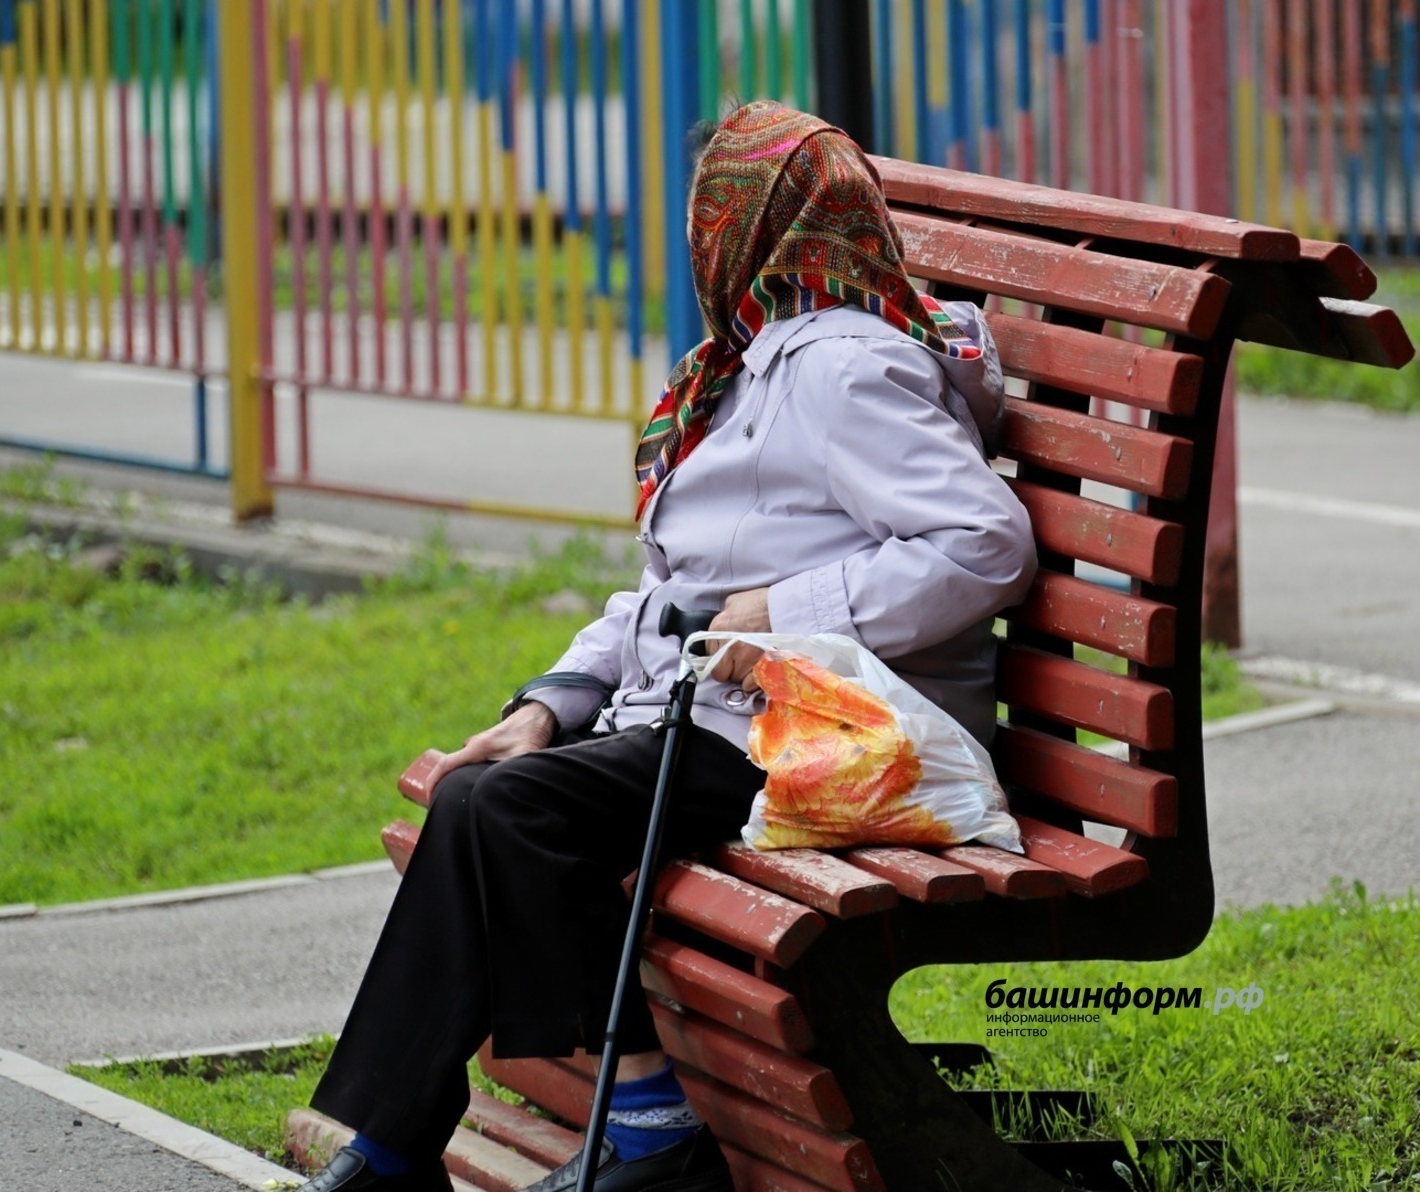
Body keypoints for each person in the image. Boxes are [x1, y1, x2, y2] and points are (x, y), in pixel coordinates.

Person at [298, 100, 1037, 1192]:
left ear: (740, 233)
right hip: (717, 715)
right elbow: (663, 595)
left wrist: (783, 608)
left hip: (810, 735)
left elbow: (984, 544)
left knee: (509, 814)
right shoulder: (748, 367)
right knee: (479, 792)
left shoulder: (840, 368)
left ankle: (643, 1122)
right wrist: (545, 707)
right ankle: (394, 1149)